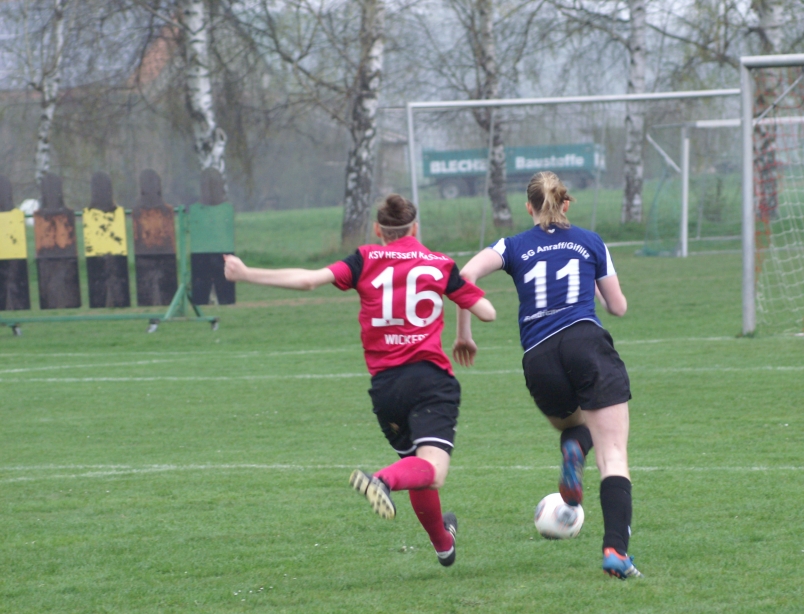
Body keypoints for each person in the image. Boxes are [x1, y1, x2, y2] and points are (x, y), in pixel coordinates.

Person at [224, 194, 496, 567]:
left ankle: (444, 547)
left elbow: (308, 281)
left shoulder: (365, 258)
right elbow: (487, 312)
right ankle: (381, 480)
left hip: (386, 388)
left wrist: (245, 273)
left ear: (377, 230)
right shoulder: (439, 263)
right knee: (432, 470)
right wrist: (464, 314)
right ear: (415, 228)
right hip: (430, 380)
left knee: (414, 465)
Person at [453, 171, 641, 580]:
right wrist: (592, 285)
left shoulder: (512, 245)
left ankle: (573, 446)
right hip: (585, 343)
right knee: (613, 454)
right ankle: (616, 552)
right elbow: (619, 307)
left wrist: (464, 334)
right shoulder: (590, 241)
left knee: (573, 425)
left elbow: (464, 276)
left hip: (538, 357)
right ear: (566, 203)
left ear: (529, 207)